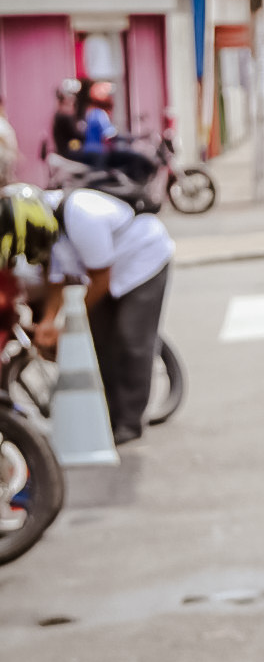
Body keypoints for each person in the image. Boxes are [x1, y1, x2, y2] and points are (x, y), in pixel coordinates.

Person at [25, 183, 175, 446]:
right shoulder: (47, 226)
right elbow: (57, 277)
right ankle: (108, 416)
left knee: (130, 339)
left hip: (143, 261)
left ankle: (129, 423)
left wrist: (68, 325)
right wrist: (49, 321)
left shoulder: (81, 216)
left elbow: (100, 278)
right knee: (99, 341)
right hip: (111, 269)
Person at [51, 80, 85, 158]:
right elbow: (76, 134)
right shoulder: (64, 116)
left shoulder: (60, 114)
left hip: (66, 149)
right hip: (66, 151)